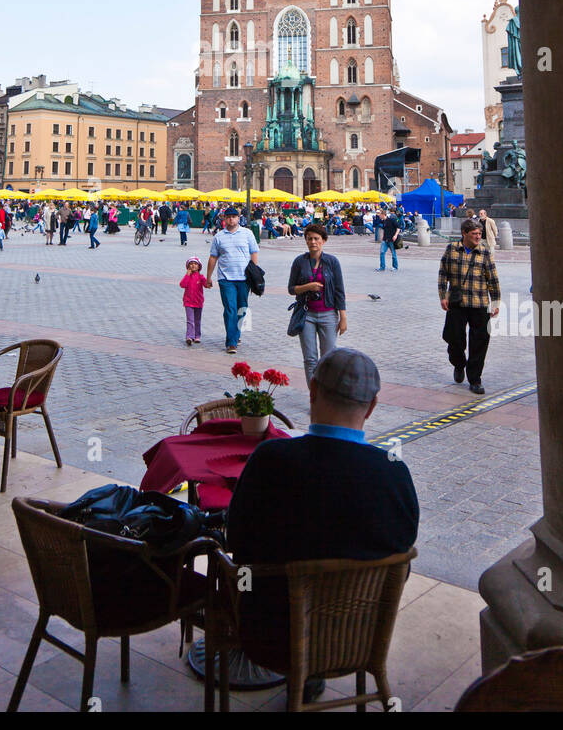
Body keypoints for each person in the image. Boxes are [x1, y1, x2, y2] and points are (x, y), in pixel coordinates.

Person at [226, 348, 419, 698]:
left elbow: (236, 542)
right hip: (359, 637)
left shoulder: (270, 460)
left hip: (270, 637)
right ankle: (314, 673)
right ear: (372, 407)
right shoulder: (394, 473)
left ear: (312, 390)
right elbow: (400, 557)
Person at [438, 217, 501, 395]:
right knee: (453, 338)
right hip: (457, 303)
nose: (478, 237)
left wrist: (495, 302)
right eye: (474, 234)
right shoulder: (452, 249)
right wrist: (443, 296)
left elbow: (493, 279)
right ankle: (459, 364)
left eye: (480, 234)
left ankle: (475, 379)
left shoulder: (485, 252)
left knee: (479, 343)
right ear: (464, 233)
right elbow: (443, 273)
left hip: (479, 303)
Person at [288, 222, 347, 383]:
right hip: (306, 314)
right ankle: (315, 396)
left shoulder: (332, 262)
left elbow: (339, 291)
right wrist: (308, 287)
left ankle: (328, 394)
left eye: (316, 238)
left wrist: (343, 317)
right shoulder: (299, 262)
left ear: (324, 240)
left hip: (328, 314)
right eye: (309, 239)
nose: (313, 242)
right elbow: (291, 289)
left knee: (328, 359)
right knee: (310, 359)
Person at [206, 205, 260, 353]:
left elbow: (254, 252)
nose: (231, 219)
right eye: (228, 217)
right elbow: (213, 257)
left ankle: (236, 334)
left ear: (238, 218)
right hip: (226, 278)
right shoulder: (219, 236)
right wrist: (208, 277)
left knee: (242, 309)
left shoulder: (247, 234)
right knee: (230, 309)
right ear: (224, 219)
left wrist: (254, 271)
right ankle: (231, 342)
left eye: (234, 217)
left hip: (244, 278)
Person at [179, 254, 210, 346]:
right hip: (188, 302)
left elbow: (206, 285)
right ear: (188, 266)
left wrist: (209, 282)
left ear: (199, 266)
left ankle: (197, 336)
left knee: (197, 320)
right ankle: (189, 336)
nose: (193, 265)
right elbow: (182, 285)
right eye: (191, 264)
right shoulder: (187, 276)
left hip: (198, 302)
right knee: (190, 320)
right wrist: (187, 275)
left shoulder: (201, 277)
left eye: (195, 264)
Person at [375, 206, 400, 272]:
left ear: (383, 215)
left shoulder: (391, 220)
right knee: (382, 252)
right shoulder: (383, 221)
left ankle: (395, 267)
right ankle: (382, 267)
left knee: (393, 253)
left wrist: (395, 235)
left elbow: (398, 227)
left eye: (380, 214)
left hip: (391, 239)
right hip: (385, 239)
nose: (379, 216)